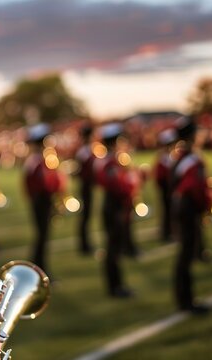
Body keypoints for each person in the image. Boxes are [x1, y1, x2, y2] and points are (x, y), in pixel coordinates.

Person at [169, 116, 211, 314]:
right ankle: (186, 300)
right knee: (186, 256)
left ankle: (183, 298)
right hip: (189, 209)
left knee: (185, 255)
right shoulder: (192, 160)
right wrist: (205, 207)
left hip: (181, 208)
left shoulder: (180, 157)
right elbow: (196, 189)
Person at [95, 122, 137, 298]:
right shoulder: (111, 162)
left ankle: (117, 285)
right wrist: (131, 182)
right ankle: (116, 287)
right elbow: (116, 185)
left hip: (115, 205)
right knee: (113, 250)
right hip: (114, 206)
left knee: (115, 248)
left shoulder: (112, 160)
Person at [23, 123, 65, 276]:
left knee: (42, 236)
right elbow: (40, 184)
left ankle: (37, 265)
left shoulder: (40, 159)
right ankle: (40, 268)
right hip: (41, 200)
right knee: (42, 236)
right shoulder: (36, 160)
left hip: (43, 200)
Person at [74, 124, 96, 255]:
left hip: (88, 185)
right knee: (85, 216)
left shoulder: (86, 150)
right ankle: (84, 244)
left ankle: (85, 243)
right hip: (85, 185)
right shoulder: (84, 151)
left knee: (87, 215)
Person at [154, 128, 177, 243]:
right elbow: (160, 176)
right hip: (166, 188)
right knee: (167, 211)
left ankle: (169, 231)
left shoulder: (168, 157)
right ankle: (167, 233)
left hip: (170, 188)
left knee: (170, 210)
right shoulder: (163, 158)